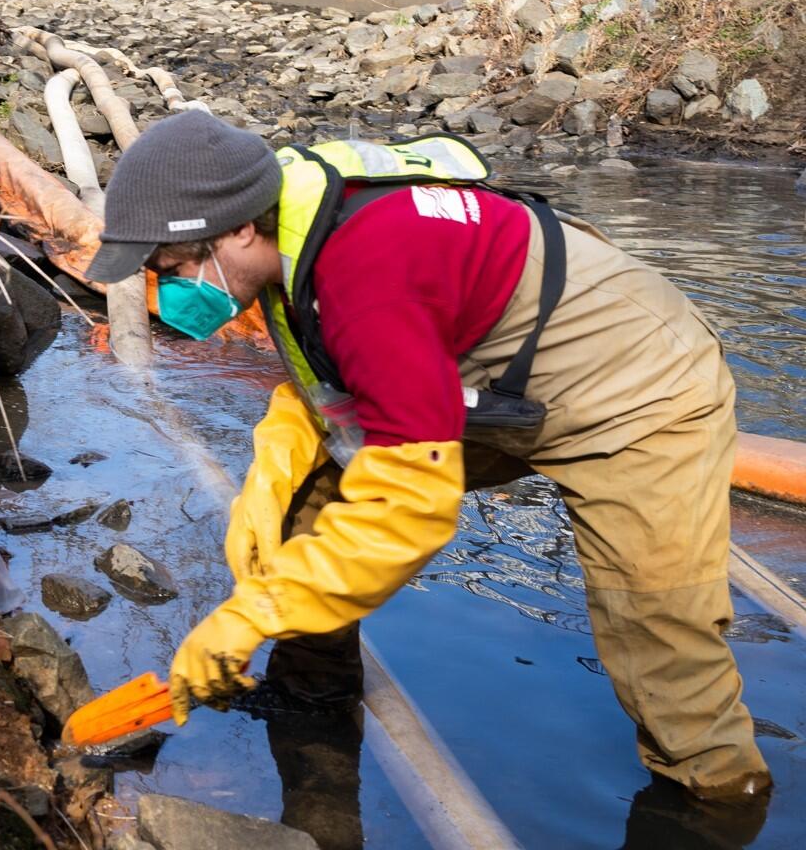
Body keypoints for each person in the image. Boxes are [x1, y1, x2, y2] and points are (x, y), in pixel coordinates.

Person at [85, 111, 772, 824]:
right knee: (308, 502)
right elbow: (329, 387)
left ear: (235, 231)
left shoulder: (368, 274)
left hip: (639, 386)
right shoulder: (288, 227)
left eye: (173, 269)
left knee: (655, 623)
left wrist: (253, 612)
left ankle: (720, 802)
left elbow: (410, 510)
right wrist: (272, 477)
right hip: (491, 381)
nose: (171, 290)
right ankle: (313, 701)